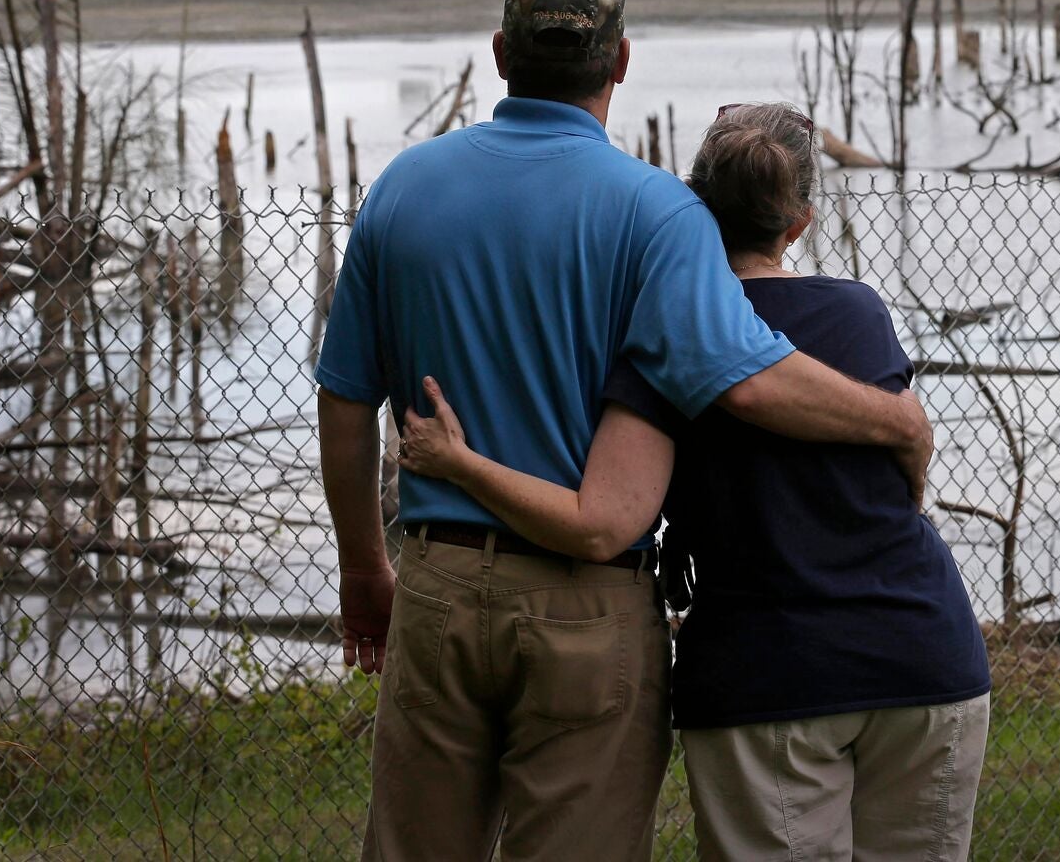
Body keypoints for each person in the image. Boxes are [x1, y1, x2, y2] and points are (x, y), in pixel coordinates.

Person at [315, 0, 933, 862]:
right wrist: (897, 421)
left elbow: (344, 399)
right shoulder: (655, 212)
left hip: (438, 587)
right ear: (620, 61)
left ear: (499, 53)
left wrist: (366, 569)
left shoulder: (403, 189)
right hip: (586, 606)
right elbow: (753, 378)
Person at [401, 102, 991, 862]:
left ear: (693, 205)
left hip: (770, 677)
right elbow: (902, 451)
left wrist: (461, 464)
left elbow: (601, 521)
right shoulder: (858, 313)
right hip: (926, 655)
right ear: (801, 222)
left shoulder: (661, 334)